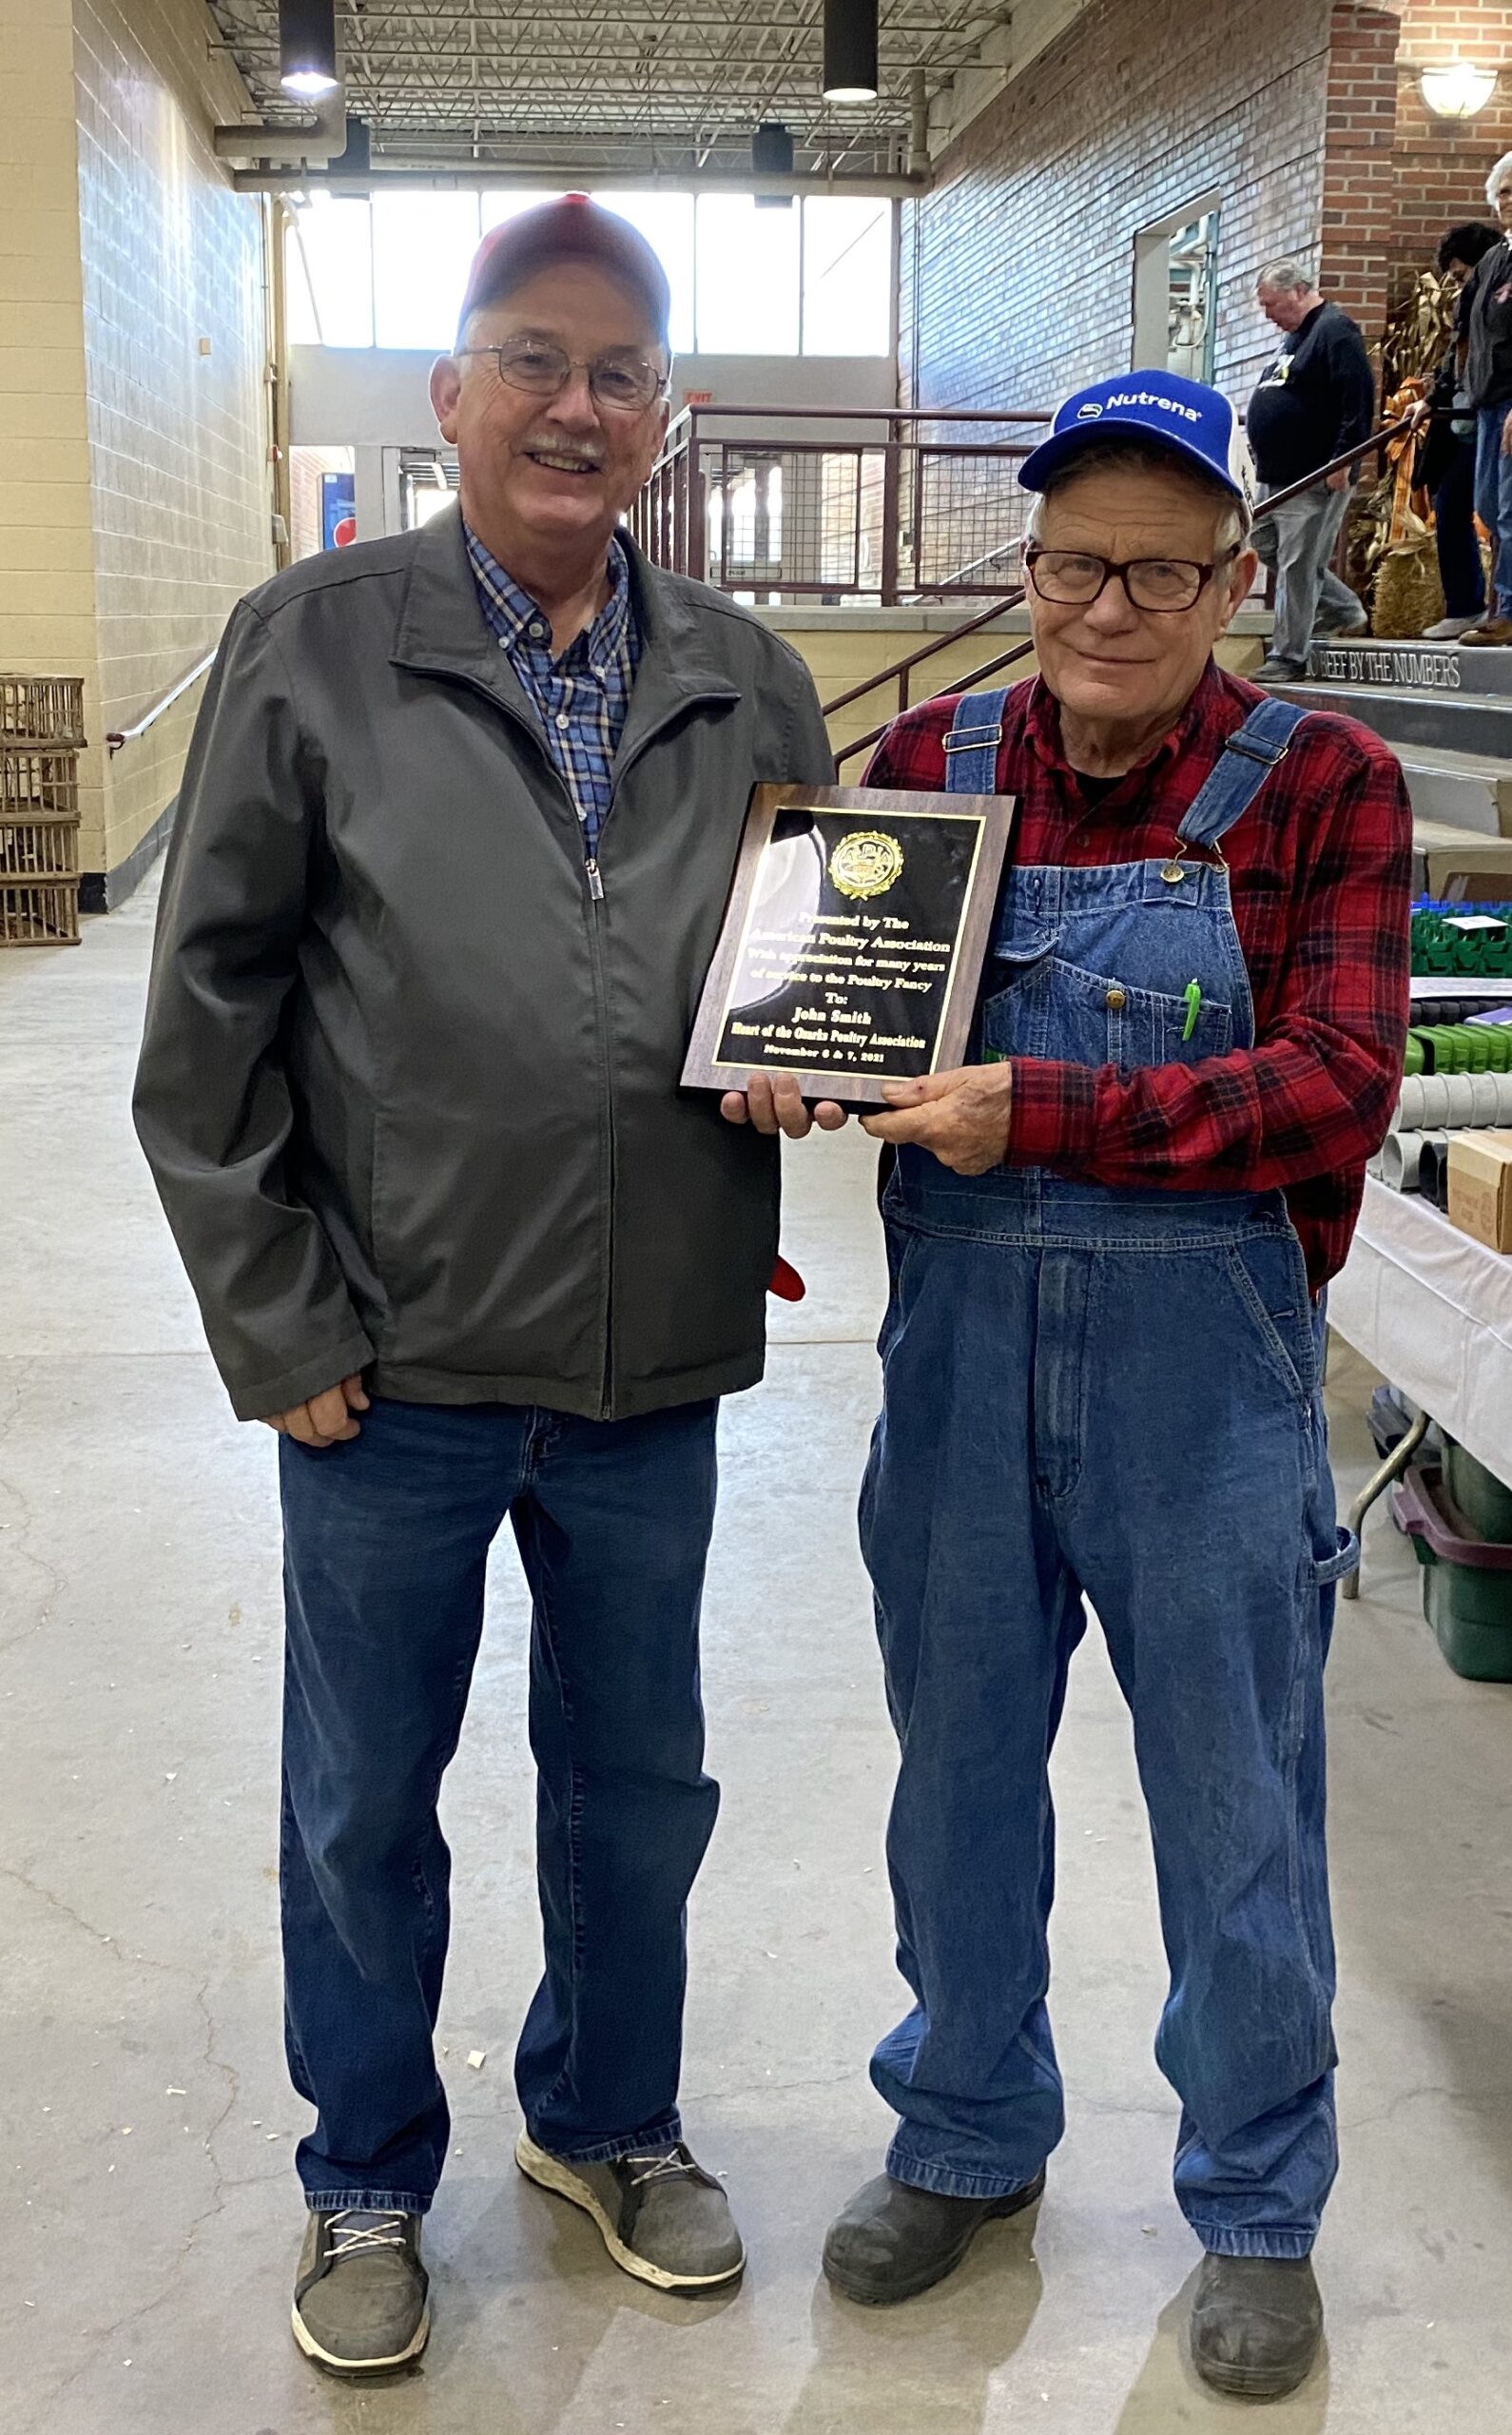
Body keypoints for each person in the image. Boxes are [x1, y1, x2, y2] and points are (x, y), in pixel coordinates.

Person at [133, 195, 840, 2381]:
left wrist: (811, 1070)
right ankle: (363, 2168)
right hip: (393, 1365)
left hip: (651, 1364)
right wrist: (282, 1324)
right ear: (448, 393)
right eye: (532, 357)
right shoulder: (313, 640)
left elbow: (799, 983)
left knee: (640, 1782)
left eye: (621, 372)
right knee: (364, 1799)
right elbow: (207, 1016)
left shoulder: (750, 674)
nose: (576, 403)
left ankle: (606, 2121)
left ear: (667, 421)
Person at [820, 371, 1411, 2403]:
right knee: (957, 1768)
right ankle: (967, 2125)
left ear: (1236, 578)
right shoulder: (926, 758)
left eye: (1162, 569)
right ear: (1032, 557)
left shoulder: (1323, 779)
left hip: (1212, 1376)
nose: (1109, 607)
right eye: (1077, 561)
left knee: (1237, 1794)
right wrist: (787, 1056)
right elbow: (842, 1002)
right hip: (961, 1352)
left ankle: (1256, 2197)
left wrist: (1041, 1103)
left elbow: (1338, 1079)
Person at [1247, 262, 1375, 679]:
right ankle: (1342, 608)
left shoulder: (1335, 330)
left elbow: (1357, 399)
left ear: (1299, 290)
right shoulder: (1295, 338)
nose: (1267, 315)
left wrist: (1343, 461)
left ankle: (1289, 656)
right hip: (1277, 475)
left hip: (1314, 473)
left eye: (1271, 304)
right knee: (1263, 543)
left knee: (1298, 563)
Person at [1416, 222, 1502, 639]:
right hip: (1466, 412)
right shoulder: (1473, 297)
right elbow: (1456, 353)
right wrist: (1433, 396)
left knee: (1484, 507)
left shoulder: (1491, 287)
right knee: (1466, 506)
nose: (1458, 284)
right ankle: (1470, 603)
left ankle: (1483, 604)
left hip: (1487, 408)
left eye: (1462, 274)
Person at [1454, 156, 1512, 644]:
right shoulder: (1494, 259)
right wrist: (1435, 396)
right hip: (1487, 404)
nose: (1508, 200)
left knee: (1510, 508)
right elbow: (1465, 331)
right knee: (1489, 507)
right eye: (1504, 192)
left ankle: (1508, 611)